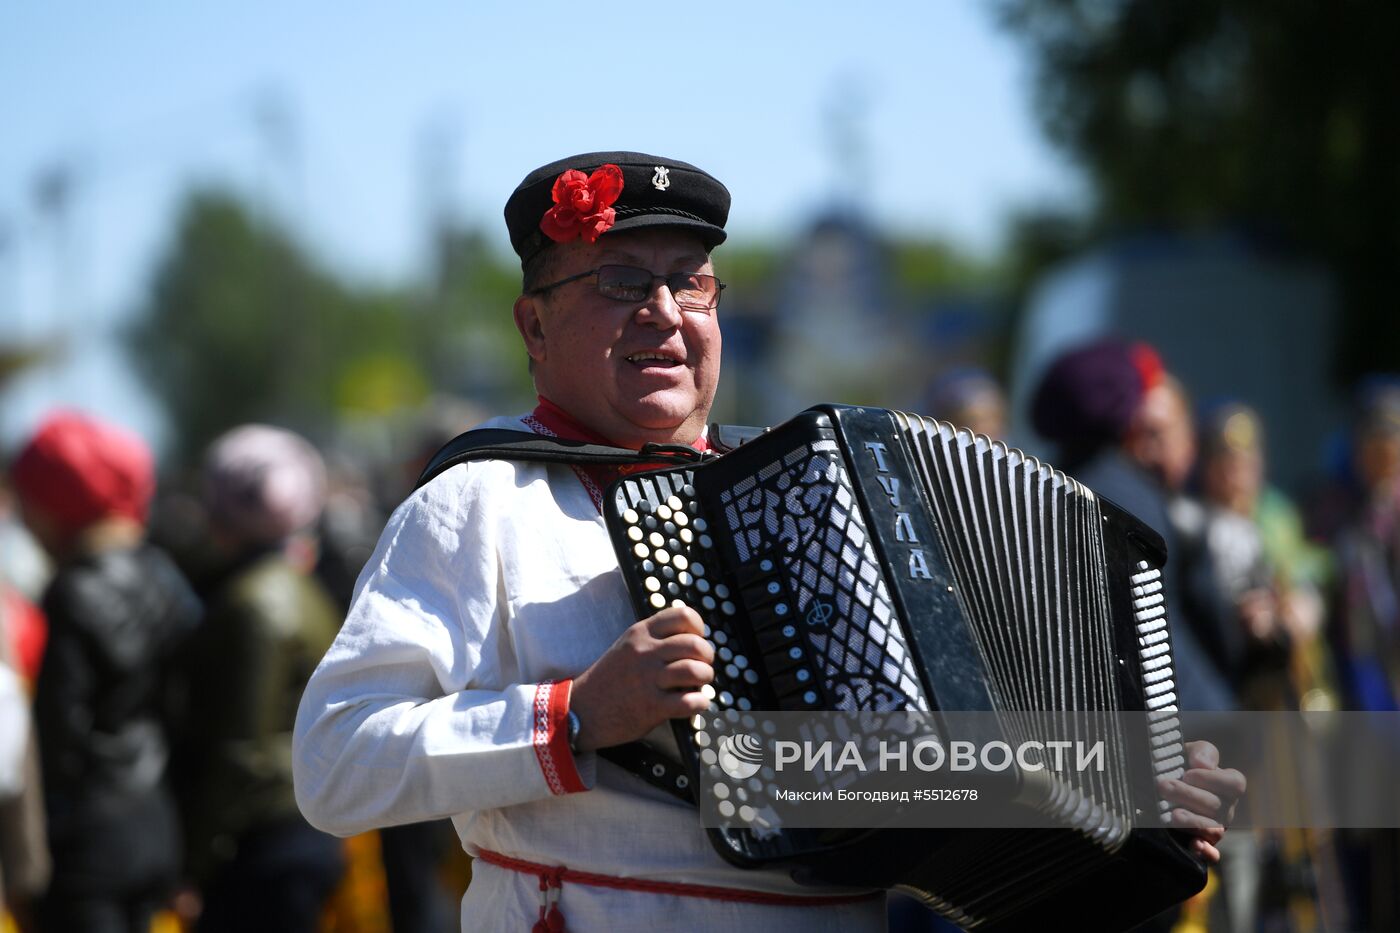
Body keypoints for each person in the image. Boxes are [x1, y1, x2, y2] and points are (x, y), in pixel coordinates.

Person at [294, 153, 1244, 931]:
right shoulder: (481, 501)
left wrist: (1125, 797)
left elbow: (892, 774)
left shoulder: (820, 494)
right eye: (621, 281)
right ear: (533, 326)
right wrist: (575, 714)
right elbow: (334, 765)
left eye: (690, 282)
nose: (664, 311)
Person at [9, 410, 200, 933]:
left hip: (88, 844)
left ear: (56, 503)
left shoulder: (71, 593)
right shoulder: (167, 579)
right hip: (159, 828)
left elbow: (60, 735)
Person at [171, 424, 345, 933]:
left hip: (265, 841)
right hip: (304, 825)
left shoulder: (250, 604)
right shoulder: (302, 587)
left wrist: (195, 862)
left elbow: (240, 746)